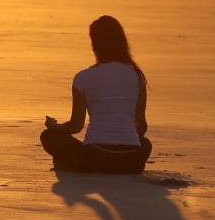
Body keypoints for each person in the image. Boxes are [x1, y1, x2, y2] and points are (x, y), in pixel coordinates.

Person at [41, 15, 152, 173]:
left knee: (49, 136)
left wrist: (55, 127)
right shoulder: (137, 76)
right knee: (146, 144)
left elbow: (76, 125)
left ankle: (71, 166)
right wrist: (123, 135)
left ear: (95, 44)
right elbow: (141, 126)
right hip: (131, 161)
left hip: (95, 158)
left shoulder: (82, 78)